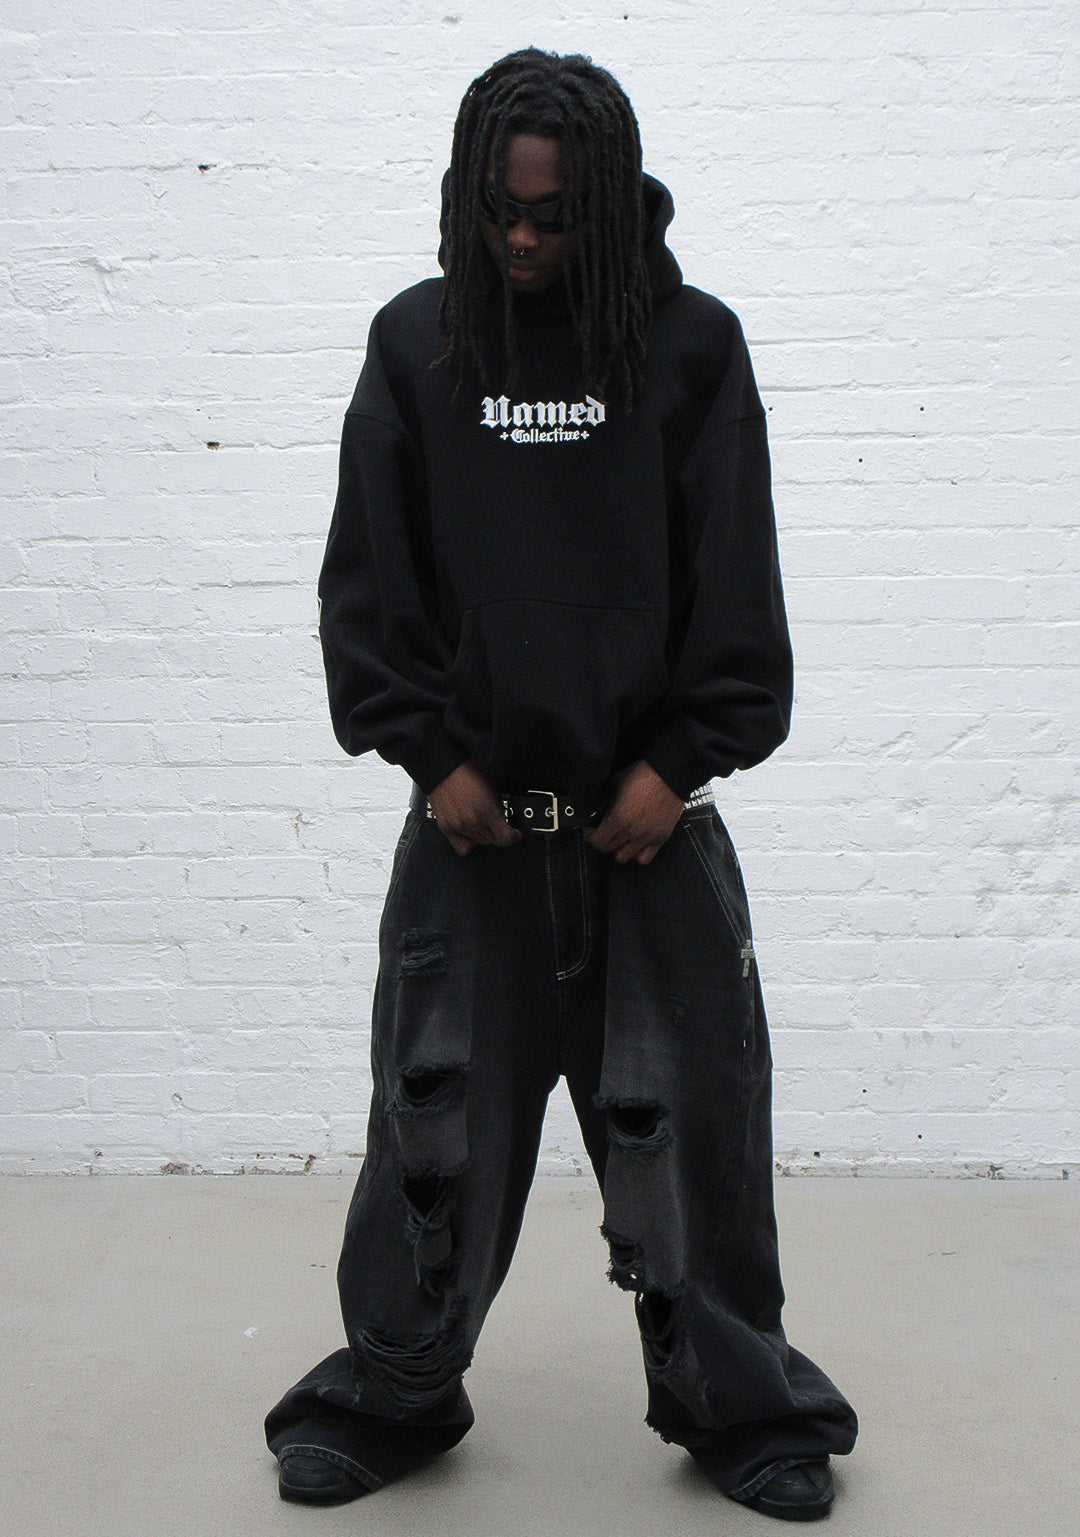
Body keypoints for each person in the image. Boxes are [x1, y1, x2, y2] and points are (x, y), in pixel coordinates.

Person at [264, 47, 858, 1522]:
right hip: (471, 835)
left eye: (552, 218)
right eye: (499, 212)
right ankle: (395, 1389)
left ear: (607, 205)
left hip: (648, 836)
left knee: (695, 1133)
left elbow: (736, 585)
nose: (522, 241)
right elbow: (367, 580)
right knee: (434, 1127)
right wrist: (430, 754)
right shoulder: (418, 344)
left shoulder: (692, 347)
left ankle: (739, 1403)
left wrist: (678, 762)